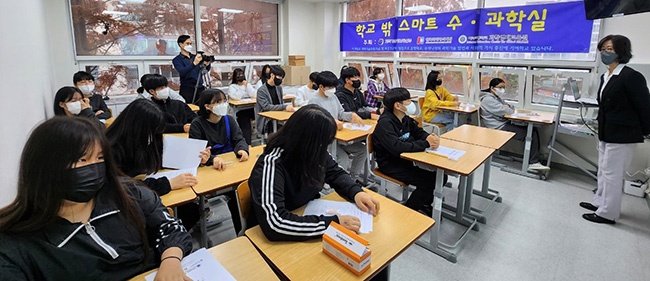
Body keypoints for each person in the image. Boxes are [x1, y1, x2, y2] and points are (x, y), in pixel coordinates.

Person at [0, 117, 192, 280]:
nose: (94, 168)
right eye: (82, 160)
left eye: (100, 158)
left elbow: (169, 227)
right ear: (45, 167)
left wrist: (171, 260)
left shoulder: (129, 193)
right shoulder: (16, 245)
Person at [248, 104, 380, 241]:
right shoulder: (272, 164)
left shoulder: (313, 151)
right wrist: (332, 224)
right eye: (322, 144)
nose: (324, 149)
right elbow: (275, 224)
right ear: (307, 142)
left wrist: (356, 192)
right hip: (279, 237)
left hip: (305, 219)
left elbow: (335, 173)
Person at [580, 35, 650, 224]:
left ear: (621, 51)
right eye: (603, 48)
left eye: (610, 49)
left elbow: (644, 106)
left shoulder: (631, 76)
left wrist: (646, 130)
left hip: (623, 134)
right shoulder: (606, 75)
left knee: (612, 174)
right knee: (603, 170)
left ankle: (607, 213)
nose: (605, 52)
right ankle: (600, 202)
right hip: (606, 131)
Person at [106, 99, 203, 230]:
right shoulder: (112, 150)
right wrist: (168, 184)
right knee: (184, 212)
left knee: (191, 210)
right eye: (152, 130)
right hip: (126, 204)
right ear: (137, 126)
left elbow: (162, 160)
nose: (154, 135)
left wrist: (199, 159)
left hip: (146, 190)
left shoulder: (146, 139)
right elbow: (120, 188)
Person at [372, 88, 446, 215]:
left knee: (441, 177)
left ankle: (424, 203)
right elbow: (397, 147)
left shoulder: (404, 118)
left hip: (406, 159)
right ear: (397, 105)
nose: (411, 103)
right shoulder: (385, 123)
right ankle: (408, 213)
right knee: (429, 182)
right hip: (390, 164)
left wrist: (428, 137)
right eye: (408, 101)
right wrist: (425, 144)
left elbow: (417, 131)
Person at [190, 89, 250, 233]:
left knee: (246, 189)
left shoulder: (229, 120)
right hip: (211, 169)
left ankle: (247, 227)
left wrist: (243, 150)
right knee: (234, 198)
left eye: (224, 101)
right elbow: (198, 152)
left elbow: (239, 139)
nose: (223, 104)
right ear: (207, 106)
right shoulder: (197, 124)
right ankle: (241, 230)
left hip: (232, 165)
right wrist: (211, 159)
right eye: (218, 102)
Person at [479, 78, 549, 171]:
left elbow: (510, 107)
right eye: (500, 87)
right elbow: (506, 110)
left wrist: (507, 107)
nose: (502, 90)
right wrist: (507, 107)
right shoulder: (488, 99)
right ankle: (533, 162)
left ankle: (533, 160)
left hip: (503, 123)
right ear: (492, 88)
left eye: (503, 87)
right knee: (531, 133)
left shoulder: (496, 98)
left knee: (532, 129)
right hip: (497, 127)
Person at [309, 71, 366, 180]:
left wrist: (352, 115)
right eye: (330, 87)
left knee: (362, 150)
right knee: (343, 159)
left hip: (338, 137)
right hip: (324, 141)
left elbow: (341, 113)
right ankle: (338, 183)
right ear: (321, 87)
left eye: (334, 87)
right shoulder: (313, 101)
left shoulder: (333, 97)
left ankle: (353, 178)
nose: (333, 90)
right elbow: (316, 124)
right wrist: (332, 122)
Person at [172, 34, 211, 103]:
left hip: (200, 87)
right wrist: (194, 64)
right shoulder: (177, 60)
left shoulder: (196, 57)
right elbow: (182, 71)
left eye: (190, 44)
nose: (189, 46)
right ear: (181, 44)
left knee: (202, 108)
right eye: (187, 43)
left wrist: (207, 65)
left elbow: (204, 71)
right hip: (187, 89)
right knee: (189, 109)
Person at [255, 66, 295, 135]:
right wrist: (284, 107)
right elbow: (266, 107)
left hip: (279, 116)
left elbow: (280, 103)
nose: (280, 80)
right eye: (279, 77)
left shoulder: (279, 88)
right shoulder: (261, 90)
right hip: (267, 120)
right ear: (272, 75)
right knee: (281, 132)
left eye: (281, 78)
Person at [228, 68, 257, 145]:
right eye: (238, 75)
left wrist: (247, 86)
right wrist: (242, 89)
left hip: (251, 108)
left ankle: (263, 137)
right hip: (240, 110)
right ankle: (247, 143)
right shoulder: (232, 87)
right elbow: (236, 97)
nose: (240, 76)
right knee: (245, 121)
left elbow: (254, 95)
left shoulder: (248, 85)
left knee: (261, 115)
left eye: (242, 75)